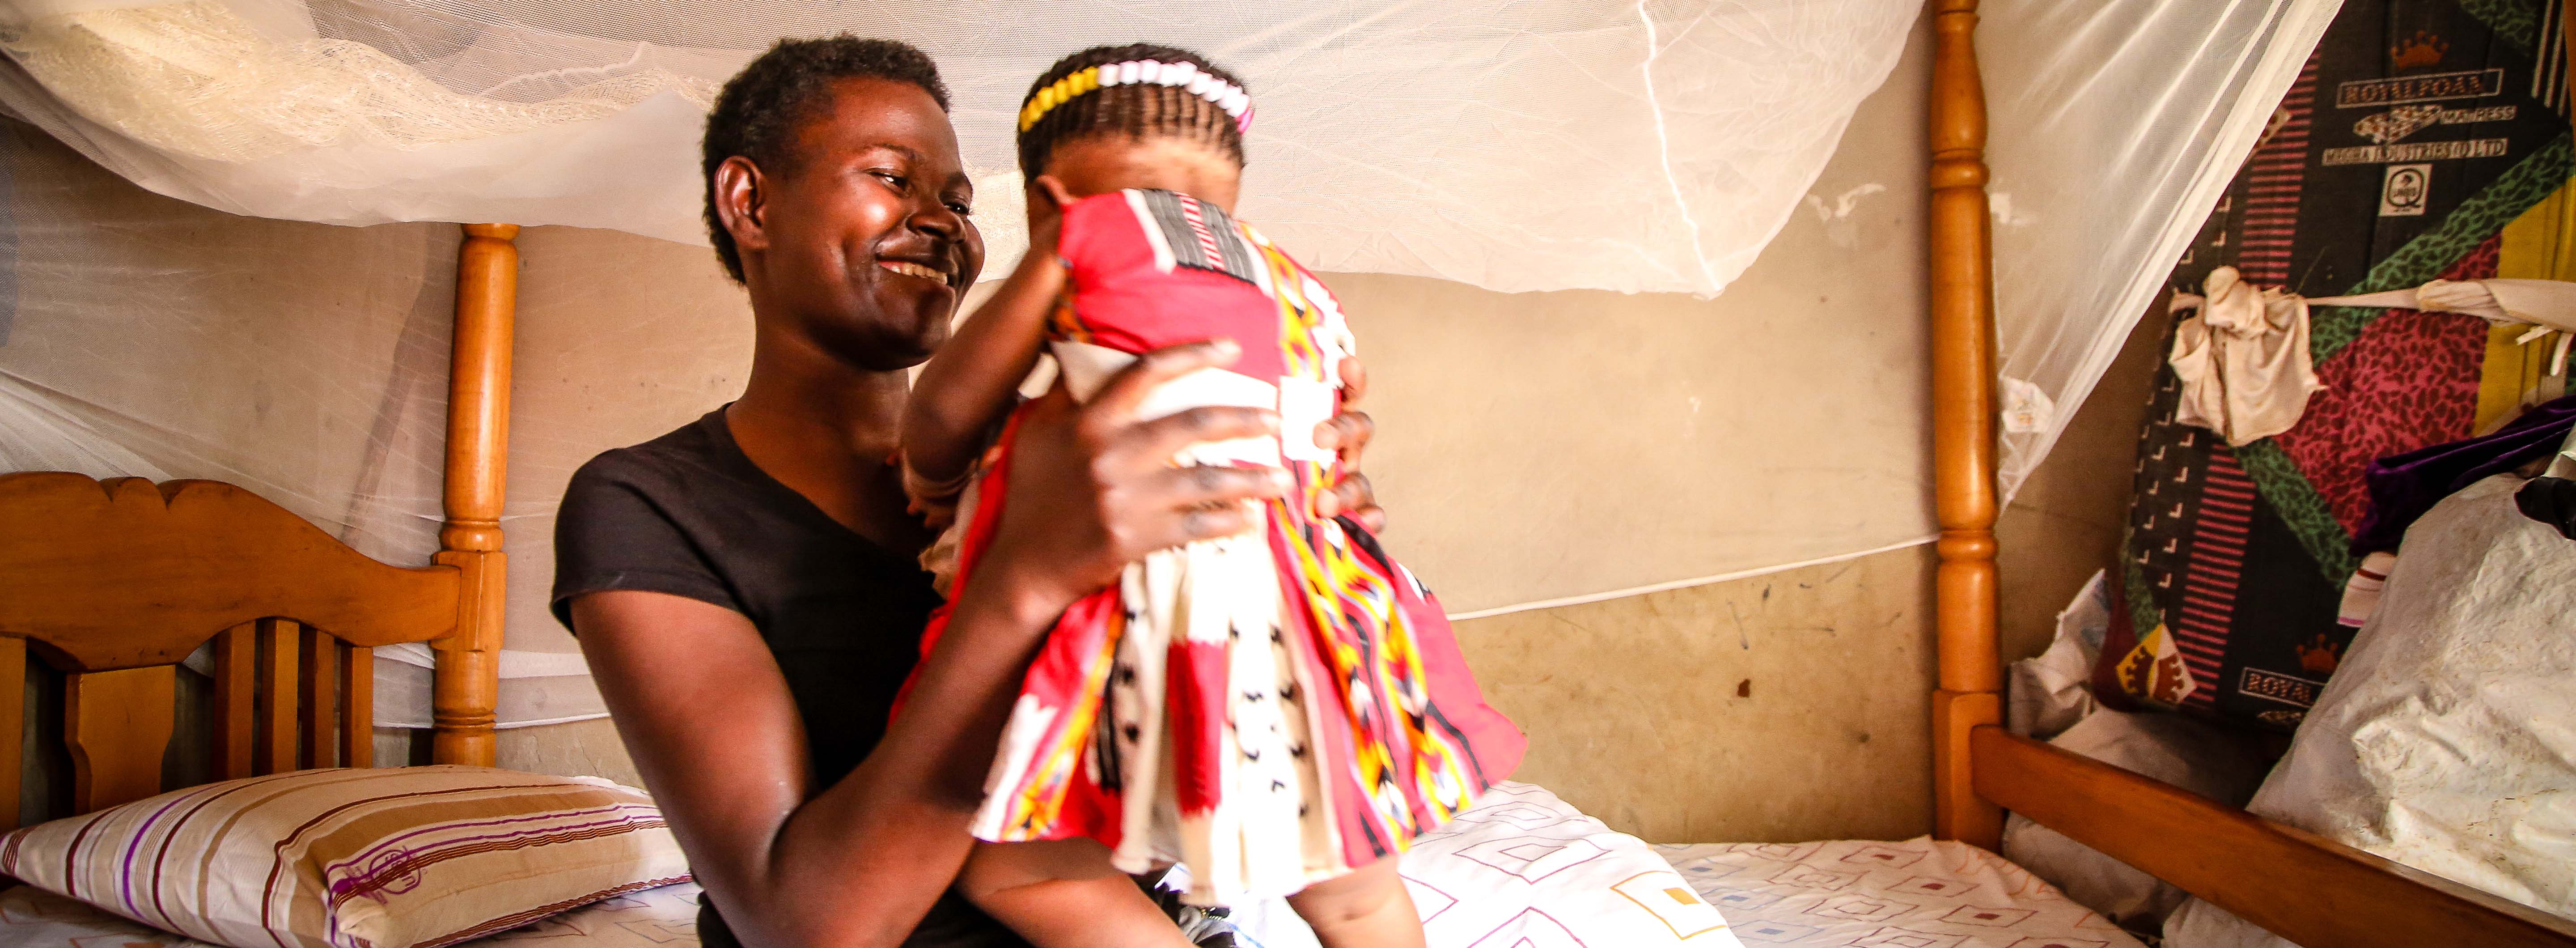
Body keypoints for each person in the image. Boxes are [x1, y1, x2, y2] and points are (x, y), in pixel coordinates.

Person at [551, 37, 1384, 948]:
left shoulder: (1053, 444)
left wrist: (1287, 513)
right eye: (892, 178)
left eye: (957, 198)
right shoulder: (648, 504)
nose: (942, 221)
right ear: (751, 203)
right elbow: (805, 927)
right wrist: (1028, 576)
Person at [898, 44, 1523, 948]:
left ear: (1046, 203)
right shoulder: (1296, 283)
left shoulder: (1083, 236)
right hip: (1313, 632)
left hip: (1155, 624)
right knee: (1351, 890)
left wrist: (931, 476)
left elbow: (943, 417)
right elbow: (1332, 438)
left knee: (1024, 868)